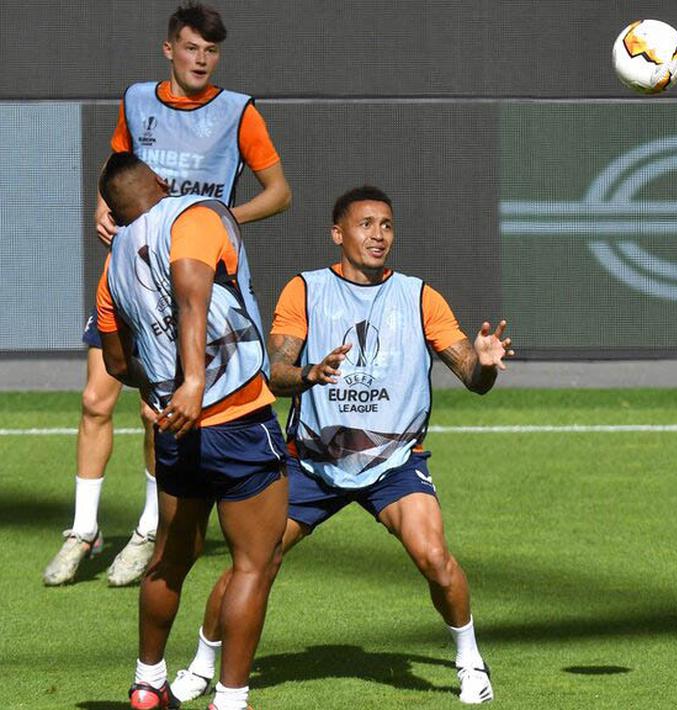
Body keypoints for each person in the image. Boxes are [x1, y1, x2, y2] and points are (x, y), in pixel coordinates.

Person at [170, 186, 511, 705]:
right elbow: (275, 373)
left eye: (387, 226)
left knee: (435, 557)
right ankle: (202, 662)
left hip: (391, 461)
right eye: (366, 224)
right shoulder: (305, 289)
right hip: (311, 463)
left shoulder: (420, 296)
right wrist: (308, 373)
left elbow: (471, 376)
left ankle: (469, 660)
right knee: (254, 564)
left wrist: (484, 365)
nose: (378, 236)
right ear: (338, 233)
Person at [44, 1, 292, 587]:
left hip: (192, 279)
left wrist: (216, 216)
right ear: (169, 49)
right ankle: (83, 530)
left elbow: (279, 191)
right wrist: (102, 210)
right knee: (95, 398)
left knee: (155, 408)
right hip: (131, 276)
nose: (200, 59)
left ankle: (150, 529)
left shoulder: (238, 112)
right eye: (191, 47)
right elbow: (115, 168)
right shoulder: (137, 101)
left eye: (210, 51)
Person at [95, 152, 287, 710]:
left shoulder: (112, 268)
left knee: (171, 558)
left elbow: (115, 362)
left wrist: (163, 390)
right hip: (235, 415)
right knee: (256, 561)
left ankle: (147, 683)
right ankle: (231, 698)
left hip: (174, 431)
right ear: (157, 182)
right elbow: (190, 290)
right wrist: (195, 380)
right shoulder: (191, 215)